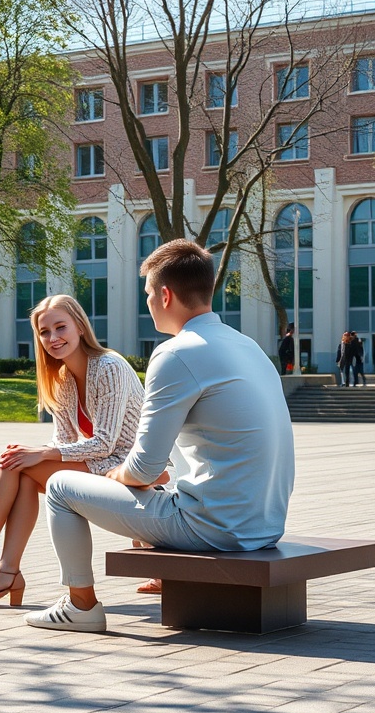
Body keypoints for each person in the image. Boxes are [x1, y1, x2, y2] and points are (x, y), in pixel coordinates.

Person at [25, 239, 295, 633]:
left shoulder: (175, 353)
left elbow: (144, 468)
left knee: (62, 487)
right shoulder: (248, 346)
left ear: (165, 295)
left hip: (214, 527)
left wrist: (114, 476)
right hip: (267, 524)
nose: (148, 302)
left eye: (148, 294)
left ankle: (81, 606)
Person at [0, 294, 144, 607]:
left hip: (129, 466)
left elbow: (105, 443)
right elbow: (62, 440)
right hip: (101, 464)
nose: (53, 338)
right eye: (44, 332)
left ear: (80, 327)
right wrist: (33, 451)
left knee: (20, 466)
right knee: (17, 463)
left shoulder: (109, 367)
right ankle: (4, 570)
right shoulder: (62, 378)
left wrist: (41, 455)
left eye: (61, 327)